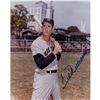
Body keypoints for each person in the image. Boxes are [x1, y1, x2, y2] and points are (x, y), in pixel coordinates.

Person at [31, 18, 62, 100]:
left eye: (49, 26)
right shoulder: (36, 43)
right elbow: (40, 64)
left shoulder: (51, 42)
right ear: (42, 27)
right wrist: (54, 52)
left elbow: (55, 60)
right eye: (44, 26)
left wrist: (58, 51)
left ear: (52, 29)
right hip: (43, 78)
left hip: (54, 78)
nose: (46, 28)